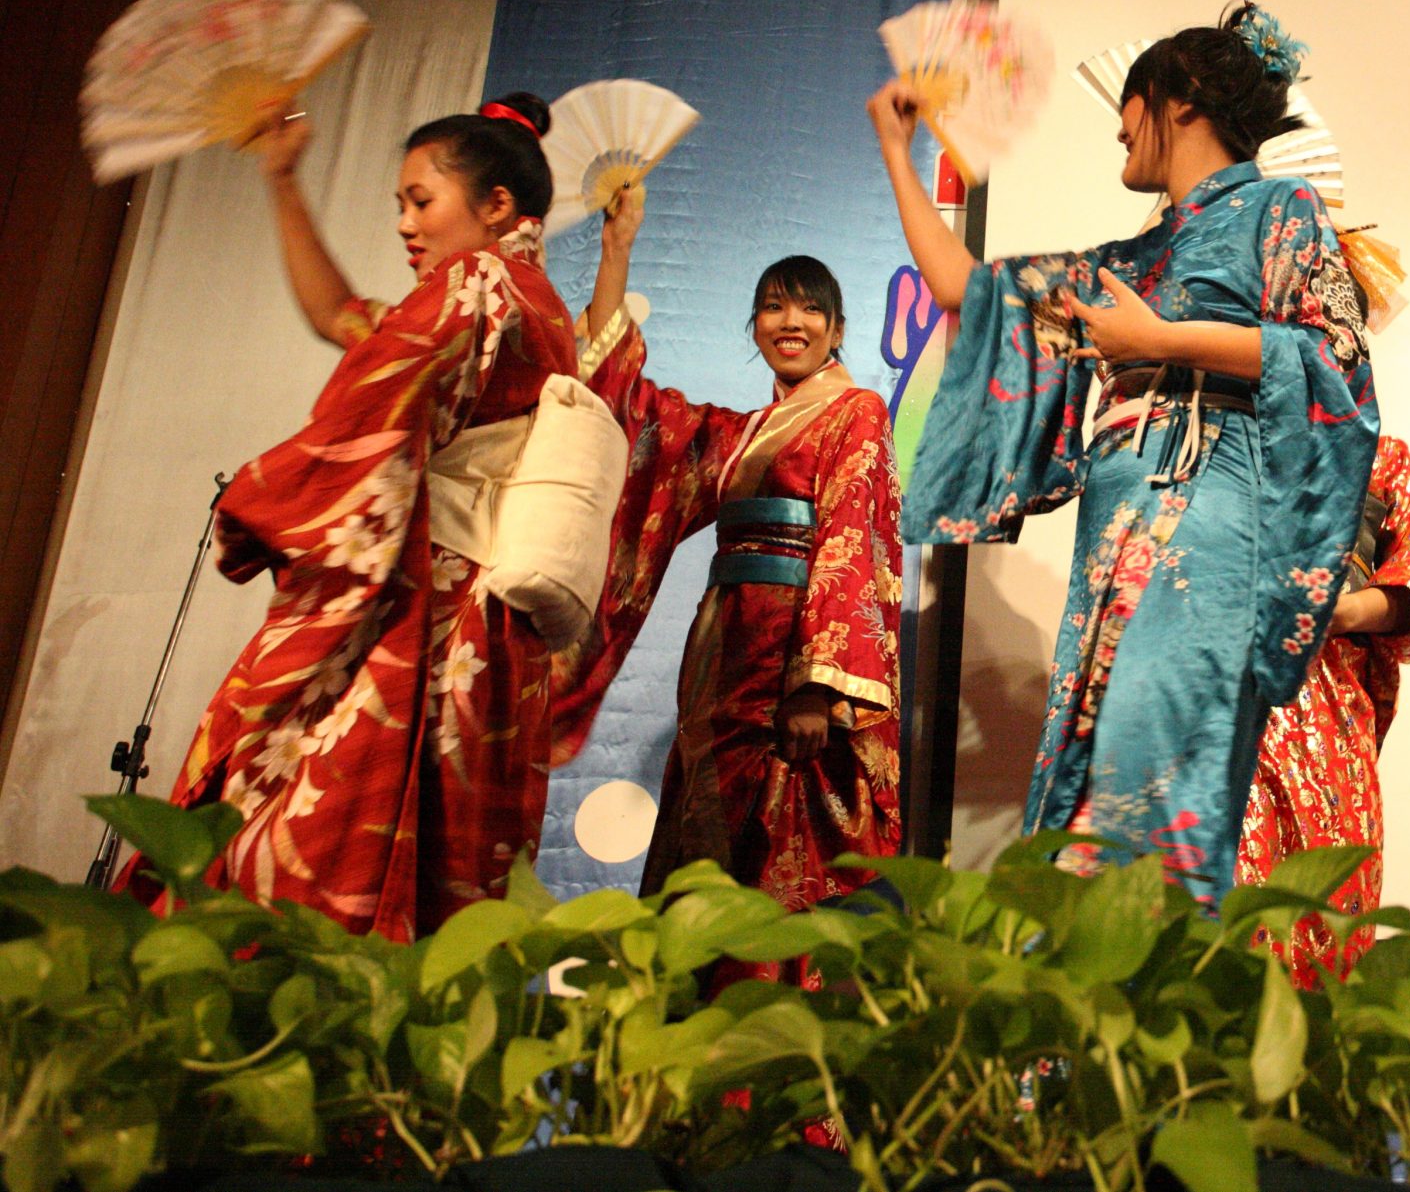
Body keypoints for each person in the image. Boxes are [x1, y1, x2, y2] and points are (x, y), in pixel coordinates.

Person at [869, 0, 1378, 903]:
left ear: (1180, 99)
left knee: (1157, 756)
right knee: (1096, 762)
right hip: (1118, 529)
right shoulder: (1132, 259)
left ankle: (1153, 969)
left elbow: (1332, 354)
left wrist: (1162, 340)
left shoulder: (1280, 206)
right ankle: (1096, 981)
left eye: (1130, 103)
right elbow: (966, 290)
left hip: (1207, 508)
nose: (1118, 127)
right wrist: (895, 150)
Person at [150, 93, 581, 939]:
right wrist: (283, 180)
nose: (404, 224)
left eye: (421, 200)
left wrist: (267, 495)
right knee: (448, 869)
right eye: (400, 205)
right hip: (493, 636)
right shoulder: (537, 304)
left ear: (497, 205)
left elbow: (375, 402)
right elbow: (344, 319)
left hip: (430, 610)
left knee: (306, 845)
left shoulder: (476, 281)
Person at [552, 188, 903, 917]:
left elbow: (849, 540)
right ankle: (699, 972)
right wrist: (617, 247)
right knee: (707, 815)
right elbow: (629, 401)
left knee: (784, 821)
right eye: (773, 307)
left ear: (838, 329)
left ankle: (768, 975)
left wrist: (815, 686)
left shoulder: (857, 411)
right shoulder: (741, 433)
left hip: (791, 657)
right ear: (754, 325)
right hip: (722, 646)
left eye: (810, 309)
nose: (791, 322)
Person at [1234, 419, 1410, 985]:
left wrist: (1344, 610)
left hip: (1330, 713)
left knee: (1328, 911)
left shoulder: (1384, 459)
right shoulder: (1211, 435)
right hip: (1218, 688)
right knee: (1229, 911)